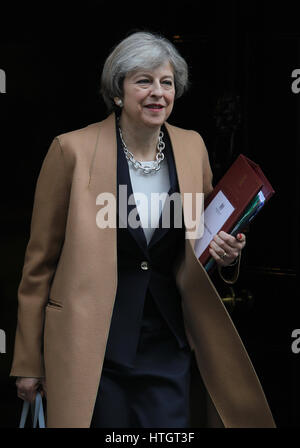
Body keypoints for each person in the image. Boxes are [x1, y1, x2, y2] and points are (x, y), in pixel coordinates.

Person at [10, 31, 275, 428]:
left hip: (167, 341)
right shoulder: (71, 150)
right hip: (92, 346)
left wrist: (226, 253)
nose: (157, 93)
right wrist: (29, 361)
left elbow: (200, 242)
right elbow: (38, 266)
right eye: (143, 81)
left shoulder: (192, 147)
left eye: (166, 83)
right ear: (118, 92)